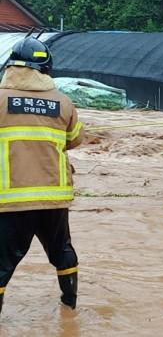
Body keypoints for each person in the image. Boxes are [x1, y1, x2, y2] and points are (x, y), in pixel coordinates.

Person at [0, 37, 84, 314]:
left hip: (10, 198)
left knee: (3, 261)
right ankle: (69, 306)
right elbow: (75, 139)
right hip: (54, 197)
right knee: (62, 250)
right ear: (45, 70)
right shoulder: (63, 102)